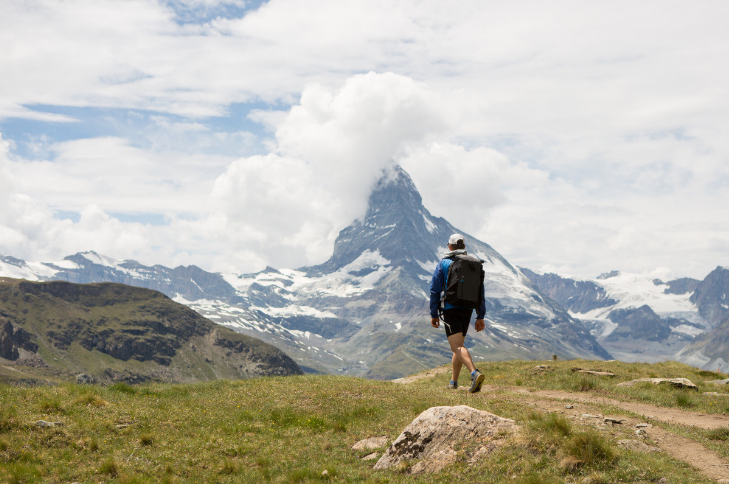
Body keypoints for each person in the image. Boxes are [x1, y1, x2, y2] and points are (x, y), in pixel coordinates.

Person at [429, 234, 486, 393]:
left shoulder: (444, 263)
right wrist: (480, 316)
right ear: (463, 246)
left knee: (456, 346)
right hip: (467, 309)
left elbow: (435, 290)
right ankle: (453, 382)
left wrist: (434, 313)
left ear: (450, 247)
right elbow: (480, 292)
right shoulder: (474, 264)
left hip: (451, 307)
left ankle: (474, 373)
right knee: (458, 346)